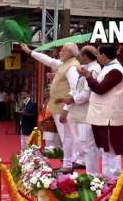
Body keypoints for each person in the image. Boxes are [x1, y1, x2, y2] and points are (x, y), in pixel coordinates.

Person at [21, 42, 80, 173]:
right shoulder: (65, 64)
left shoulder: (72, 67)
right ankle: (69, 162)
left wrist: (66, 109)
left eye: (63, 51)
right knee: (67, 137)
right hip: (59, 107)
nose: (60, 53)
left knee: (69, 136)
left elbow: (75, 88)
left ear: (70, 53)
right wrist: (31, 52)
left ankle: (73, 161)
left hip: (65, 107)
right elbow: (49, 60)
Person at [77, 44, 123, 177]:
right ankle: (103, 177)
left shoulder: (115, 70)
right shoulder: (109, 68)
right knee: (104, 148)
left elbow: (100, 89)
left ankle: (113, 179)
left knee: (111, 150)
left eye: (98, 54)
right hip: (101, 115)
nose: (97, 57)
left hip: (108, 117)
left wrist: (88, 76)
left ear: (104, 56)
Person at [56, 45, 101, 174]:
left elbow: (86, 94)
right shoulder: (87, 68)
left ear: (86, 56)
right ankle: (91, 174)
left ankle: (92, 175)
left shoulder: (93, 70)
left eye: (80, 55)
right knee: (86, 145)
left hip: (86, 113)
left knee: (88, 146)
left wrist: (73, 99)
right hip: (82, 113)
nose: (78, 57)